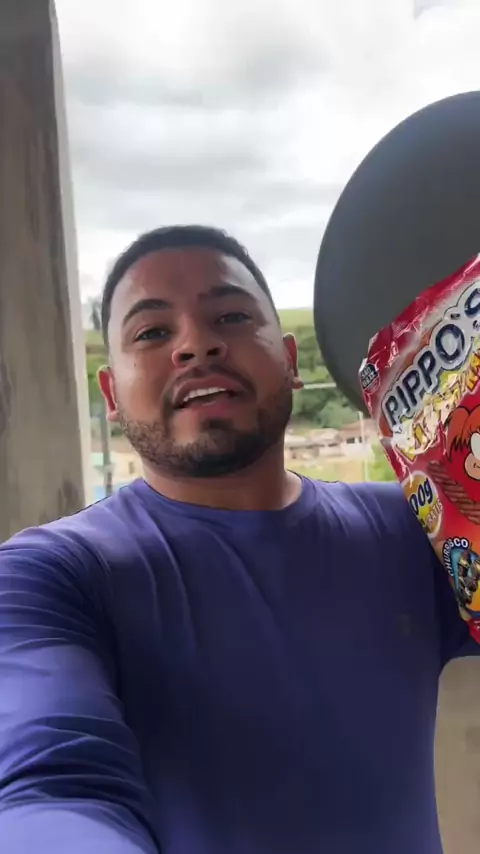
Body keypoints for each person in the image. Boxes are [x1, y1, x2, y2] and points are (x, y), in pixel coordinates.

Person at [0, 224, 476, 854]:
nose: (196, 345)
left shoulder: (415, 524)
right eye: (152, 332)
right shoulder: (46, 576)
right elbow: (45, 783)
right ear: (111, 394)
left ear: (291, 361)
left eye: (230, 316)